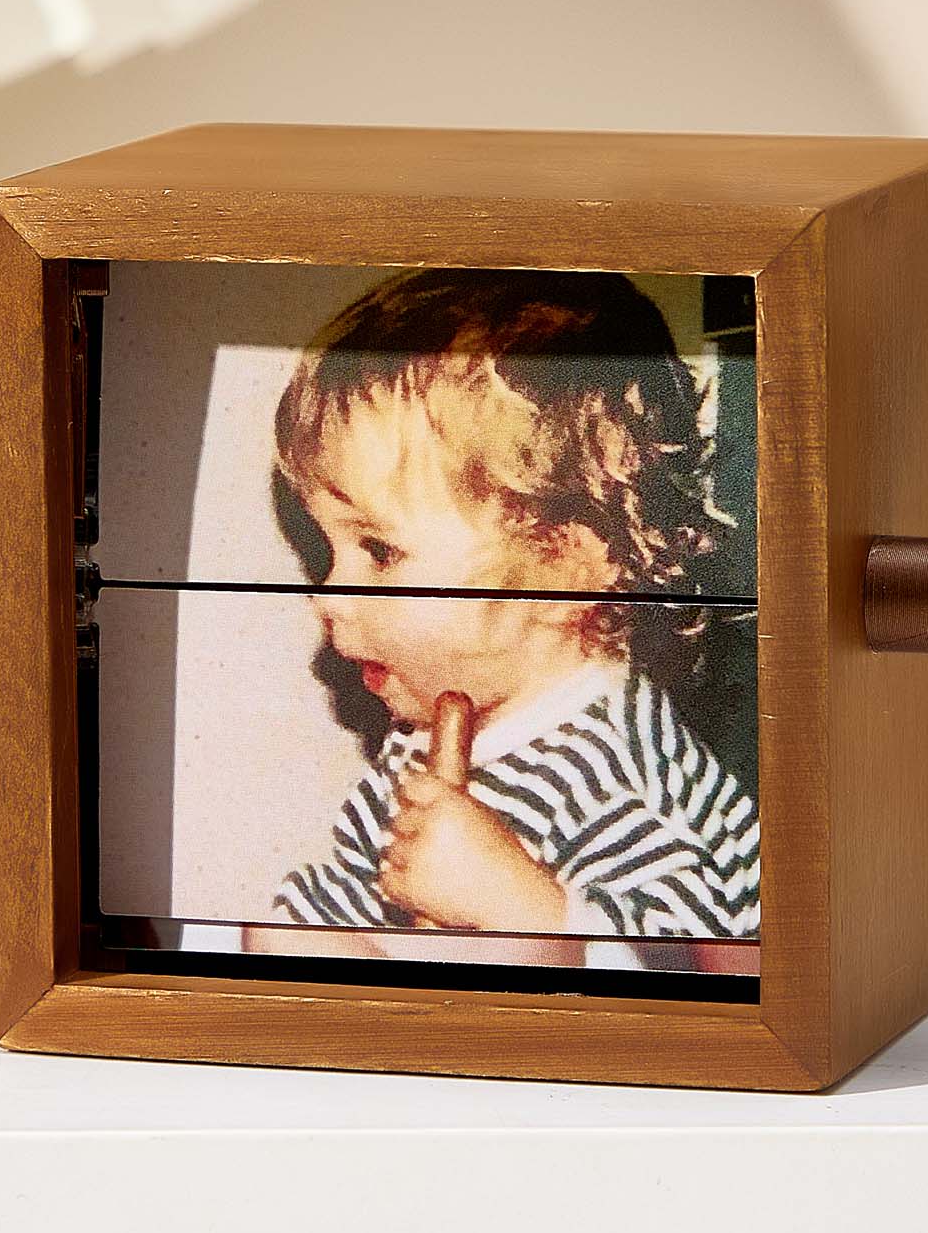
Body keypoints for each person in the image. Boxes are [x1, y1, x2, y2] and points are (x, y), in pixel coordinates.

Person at [261, 267, 759, 962]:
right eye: (328, 549)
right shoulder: (428, 738)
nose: (327, 596)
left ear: (563, 568)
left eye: (378, 550)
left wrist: (532, 916)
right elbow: (355, 895)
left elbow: (691, 977)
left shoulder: (615, 774)